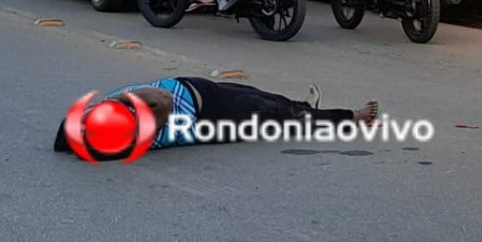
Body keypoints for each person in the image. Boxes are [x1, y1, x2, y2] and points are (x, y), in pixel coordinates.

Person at [54, 77, 380, 160]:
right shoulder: (128, 129)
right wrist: (120, 99)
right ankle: (351, 117)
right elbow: (162, 100)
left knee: (271, 101)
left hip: (199, 89)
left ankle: (309, 109)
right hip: (212, 114)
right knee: (279, 114)